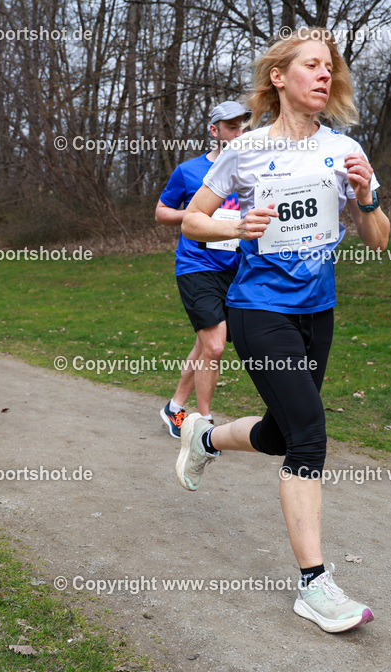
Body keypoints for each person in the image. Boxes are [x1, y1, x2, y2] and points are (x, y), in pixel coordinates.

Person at [175, 27, 390, 634]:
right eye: (312, 66)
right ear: (279, 77)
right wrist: (235, 227)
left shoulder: (342, 148)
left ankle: (205, 440)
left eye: (331, 68)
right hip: (258, 307)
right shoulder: (245, 151)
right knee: (310, 436)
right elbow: (193, 221)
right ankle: (314, 585)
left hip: (316, 311)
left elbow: (377, 239)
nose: (325, 75)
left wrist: (366, 196)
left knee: (280, 431)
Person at [156, 101, 247, 438]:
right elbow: (162, 211)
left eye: (243, 126)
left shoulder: (249, 170)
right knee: (216, 346)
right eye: (232, 127)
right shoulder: (188, 170)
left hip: (235, 267)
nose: (240, 133)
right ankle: (205, 424)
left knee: (206, 345)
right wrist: (197, 215)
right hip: (196, 265)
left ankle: (175, 408)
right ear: (215, 130)